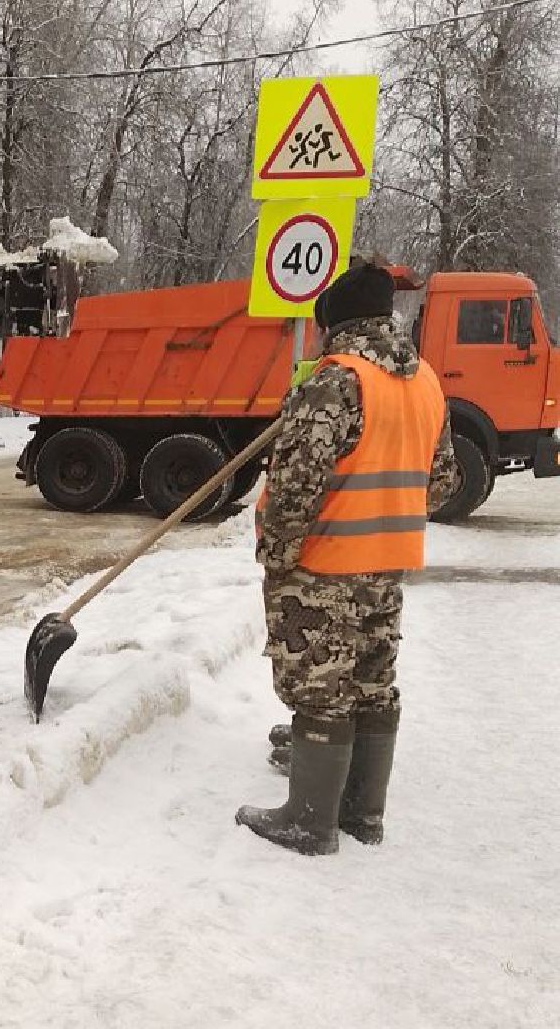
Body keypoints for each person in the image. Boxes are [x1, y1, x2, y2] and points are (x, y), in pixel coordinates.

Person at [236, 260, 457, 856]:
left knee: (321, 686)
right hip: (389, 564)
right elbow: (442, 483)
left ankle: (309, 824)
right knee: (371, 681)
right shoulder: (426, 381)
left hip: (325, 565)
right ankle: (363, 814)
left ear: (336, 323)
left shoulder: (336, 380)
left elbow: (296, 486)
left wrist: (276, 556)